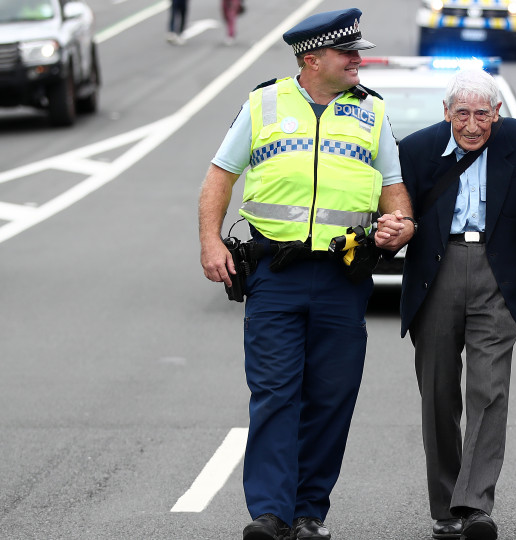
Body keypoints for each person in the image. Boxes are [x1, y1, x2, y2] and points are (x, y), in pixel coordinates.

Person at [197, 8, 414, 540]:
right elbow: (219, 178)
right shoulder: (263, 103)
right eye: (349, 53)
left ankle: (308, 512)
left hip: (343, 276)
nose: (358, 60)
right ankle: (269, 513)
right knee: (274, 391)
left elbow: (395, 191)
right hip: (276, 272)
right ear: (312, 59)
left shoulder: (372, 113)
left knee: (331, 396)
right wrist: (209, 240)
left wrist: (401, 226)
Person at [397, 68, 516, 540]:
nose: (473, 125)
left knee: (489, 390)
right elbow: (394, 208)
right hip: (437, 272)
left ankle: (475, 504)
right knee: (437, 392)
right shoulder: (417, 149)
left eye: (482, 114)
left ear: (497, 113)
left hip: (496, 274)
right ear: (446, 113)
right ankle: (445, 508)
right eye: (462, 114)